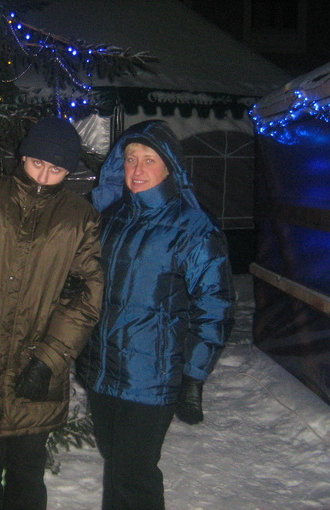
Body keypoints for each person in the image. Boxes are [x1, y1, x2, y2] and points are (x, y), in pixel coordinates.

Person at [0, 117, 104, 510]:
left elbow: (88, 295)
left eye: (56, 169)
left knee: (26, 474)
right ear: (23, 157)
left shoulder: (80, 218)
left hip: (37, 365)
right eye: (37, 164)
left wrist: (48, 360)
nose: (44, 177)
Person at [76, 120, 235, 510]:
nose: (137, 169)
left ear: (170, 168)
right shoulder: (111, 217)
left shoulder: (193, 229)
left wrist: (194, 375)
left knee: (134, 475)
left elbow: (214, 307)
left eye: (149, 160)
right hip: (104, 370)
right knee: (116, 464)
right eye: (131, 159)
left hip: (151, 376)